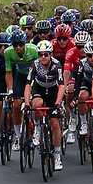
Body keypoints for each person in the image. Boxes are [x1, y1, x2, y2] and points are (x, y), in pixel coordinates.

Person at [24, 40, 65, 171]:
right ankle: (36, 128)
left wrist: (58, 103)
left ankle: (57, 156)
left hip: (53, 92)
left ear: (51, 54)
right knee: (37, 103)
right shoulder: (34, 65)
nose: (43, 57)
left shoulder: (57, 65)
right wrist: (26, 103)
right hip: (39, 89)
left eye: (46, 54)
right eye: (40, 54)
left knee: (55, 124)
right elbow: (28, 85)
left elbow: (62, 85)